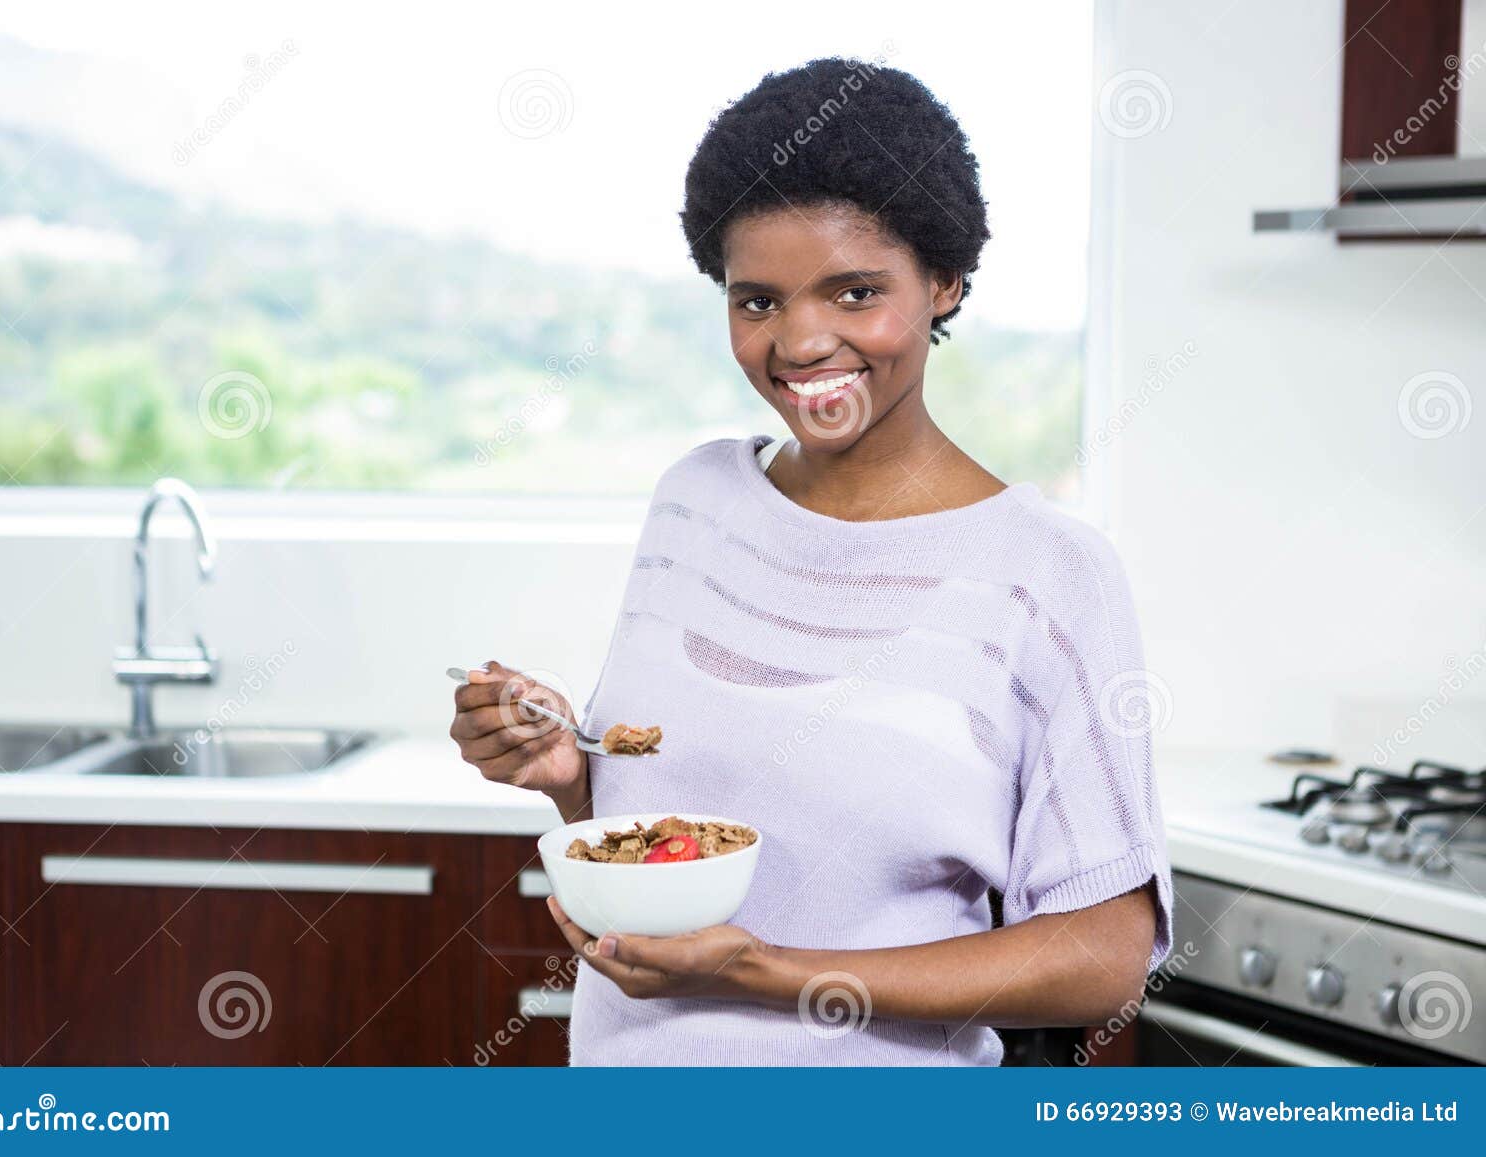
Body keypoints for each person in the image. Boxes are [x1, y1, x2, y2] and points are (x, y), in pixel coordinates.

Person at [451, 57, 1171, 1065]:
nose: (800, 340)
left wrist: (768, 971)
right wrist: (571, 777)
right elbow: (664, 830)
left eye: (855, 290)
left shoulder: (1046, 571)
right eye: (757, 302)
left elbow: (1104, 956)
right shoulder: (694, 498)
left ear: (944, 283)